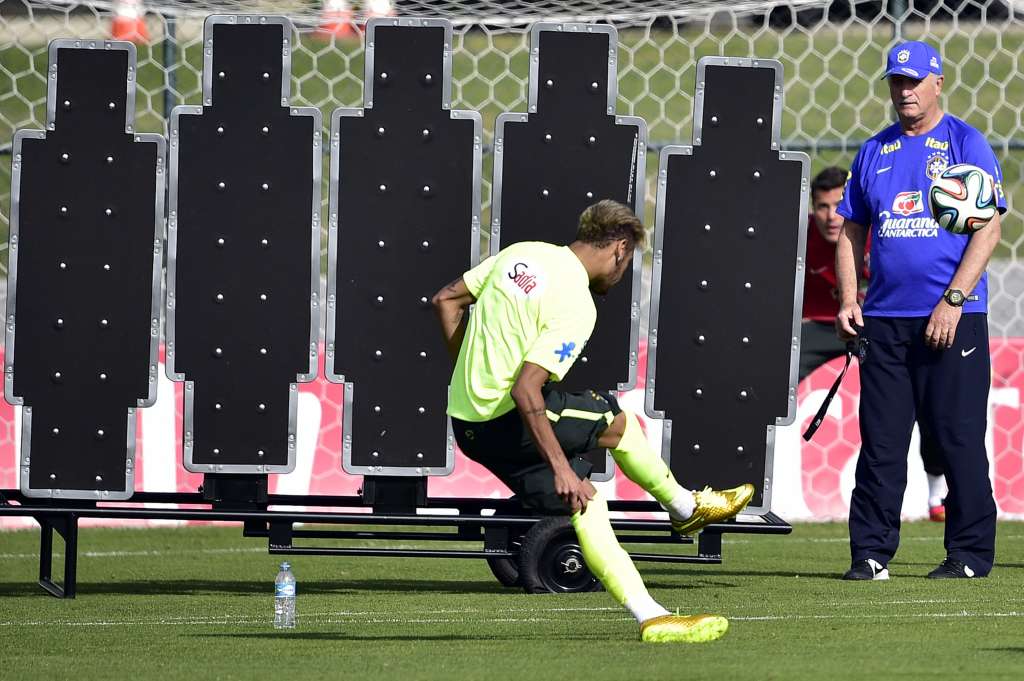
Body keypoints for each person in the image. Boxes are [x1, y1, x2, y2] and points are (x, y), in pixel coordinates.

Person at [432, 199, 754, 642]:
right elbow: (526, 388)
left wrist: (470, 372)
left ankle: (653, 617)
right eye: (627, 264)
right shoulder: (577, 304)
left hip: (469, 424)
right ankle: (685, 508)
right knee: (611, 417)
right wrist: (562, 468)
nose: (622, 276)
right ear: (619, 249)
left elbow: (446, 299)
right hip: (509, 416)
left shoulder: (519, 254)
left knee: (586, 502)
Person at [835, 41, 1006, 580]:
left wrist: (953, 301)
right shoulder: (874, 150)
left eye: (912, 81)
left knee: (956, 438)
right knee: (880, 443)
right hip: (884, 320)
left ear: (937, 83)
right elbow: (850, 229)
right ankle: (870, 552)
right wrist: (847, 299)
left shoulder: (964, 142)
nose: (903, 90)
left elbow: (989, 226)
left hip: (954, 319)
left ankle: (970, 556)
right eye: (895, 81)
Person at [801, 166, 948, 522]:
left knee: (926, 401)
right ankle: (752, 478)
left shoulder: (875, 234)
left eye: (839, 205)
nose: (831, 215)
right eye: (822, 206)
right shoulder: (799, 236)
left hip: (878, 326)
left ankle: (936, 490)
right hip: (819, 326)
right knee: (773, 379)